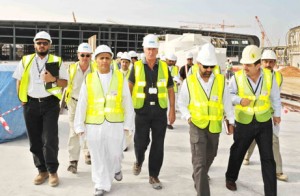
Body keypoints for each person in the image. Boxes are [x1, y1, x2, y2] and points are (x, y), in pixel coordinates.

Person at [74, 45, 134, 196]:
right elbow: (82, 102)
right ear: (96, 61)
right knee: (97, 154)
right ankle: (101, 184)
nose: (104, 61)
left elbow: (127, 101)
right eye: (101, 58)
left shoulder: (120, 77)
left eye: (107, 58)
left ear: (112, 60)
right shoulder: (89, 79)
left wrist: (128, 124)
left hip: (115, 123)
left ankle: (116, 168)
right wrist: (79, 125)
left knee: (115, 153)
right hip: (94, 124)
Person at [12, 31, 68, 187]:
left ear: (49, 45)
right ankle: (41, 170)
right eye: (39, 43)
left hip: (50, 104)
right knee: (35, 139)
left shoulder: (56, 60)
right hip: (30, 104)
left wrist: (53, 80)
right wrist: (22, 99)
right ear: (35, 44)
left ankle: (52, 171)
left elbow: (65, 83)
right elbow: (19, 80)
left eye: (45, 43)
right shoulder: (26, 60)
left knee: (50, 139)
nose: (42, 45)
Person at [178, 43, 234, 196]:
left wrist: (231, 121)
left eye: (212, 67)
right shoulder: (189, 82)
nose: (209, 70)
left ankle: (197, 175)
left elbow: (227, 102)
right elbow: (182, 103)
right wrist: (188, 117)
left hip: (214, 126)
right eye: (206, 67)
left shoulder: (221, 81)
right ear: (198, 64)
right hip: (196, 125)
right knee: (200, 163)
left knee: (211, 154)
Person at [225, 45, 281, 196]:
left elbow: (275, 97)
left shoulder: (269, 77)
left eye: (248, 65)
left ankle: (271, 192)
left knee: (268, 158)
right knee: (238, 151)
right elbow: (228, 95)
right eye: (244, 64)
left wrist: (277, 114)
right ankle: (230, 178)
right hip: (244, 122)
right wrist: (238, 100)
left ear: (258, 65)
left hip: (264, 122)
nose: (245, 67)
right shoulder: (237, 77)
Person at [128, 34, 175, 190]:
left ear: (157, 49)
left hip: (159, 111)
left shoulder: (164, 67)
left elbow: (170, 89)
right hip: (141, 111)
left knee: (158, 144)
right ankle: (139, 160)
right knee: (140, 143)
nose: (151, 52)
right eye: (148, 48)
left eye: (154, 48)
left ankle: (153, 175)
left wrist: (172, 110)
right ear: (144, 49)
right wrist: (128, 110)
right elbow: (129, 87)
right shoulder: (136, 67)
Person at [243, 49, 288, 181]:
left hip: (270, 115)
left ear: (275, 63)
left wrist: (277, 114)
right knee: (252, 138)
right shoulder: (254, 75)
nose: (268, 64)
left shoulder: (279, 77)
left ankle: (278, 171)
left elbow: (276, 97)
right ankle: (246, 155)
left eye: (271, 62)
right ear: (260, 62)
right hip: (255, 113)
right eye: (265, 61)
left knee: (274, 141)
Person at [64, 43, 96, 174]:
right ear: (78, 55)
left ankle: (87, 152)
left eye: (88, 55)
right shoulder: (71, 69)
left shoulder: (95, 70)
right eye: (82, 55)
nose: (85, 57)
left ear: (91, 57)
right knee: (74, 131)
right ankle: (73, 161)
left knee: (89, 128)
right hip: (74, 103)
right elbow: (63, 85)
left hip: (90, 104)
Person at [119, 52, 134, 151]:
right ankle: (119, 142)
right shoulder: (115, 73)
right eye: (123, 62)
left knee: (129, 123)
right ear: (120, 62)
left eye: (126, 62)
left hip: (130, 102)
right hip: (119, 102)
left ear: (129, 63)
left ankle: (125, 144)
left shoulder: (132, 74)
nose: (124, 64)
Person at [165, 52, 181, 129]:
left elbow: (178, 78)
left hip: (173, 90)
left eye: (172, 61)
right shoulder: (162, 67)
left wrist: (177, 81)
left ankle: (169, 123)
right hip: (163, 90)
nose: (171, 62)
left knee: (171, 107)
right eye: (170, 61)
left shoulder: (175, 68)